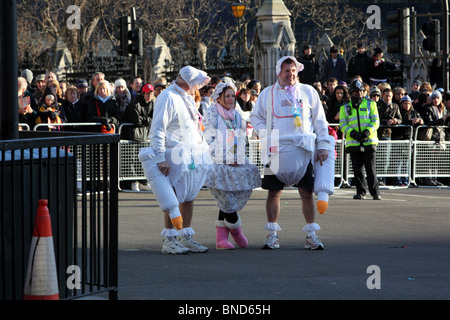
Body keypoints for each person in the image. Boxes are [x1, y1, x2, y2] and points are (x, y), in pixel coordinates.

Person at [250, 56, 335, 250]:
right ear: (279, 72)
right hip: (275, 151)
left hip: (302, 150)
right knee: (274, 192)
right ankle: (272, 235)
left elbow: (320, 121)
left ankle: (311, 235)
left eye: (294, 71)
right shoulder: (267, 93)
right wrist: (267, 135)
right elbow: (256, 117)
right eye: (287, 71)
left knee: (306, 193)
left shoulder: (308, 91)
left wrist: (322, 145)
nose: (291, 75)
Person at [138, 66, 212, 255]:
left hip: (190, 153)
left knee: (188, 196)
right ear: (187, 81)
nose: (197, 87)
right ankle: (170, 238)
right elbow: (158, 128)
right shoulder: (168, 96)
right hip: (174, 153)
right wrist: (161, 157)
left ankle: (185, 236)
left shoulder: (186, 96)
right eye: (195, 83)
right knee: (172, 198)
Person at [203, 82, 261, 249]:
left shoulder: (236, 115)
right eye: (226, 96)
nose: (229, 99)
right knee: (226, 199)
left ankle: (221, 239)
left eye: (231, 96)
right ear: (219, 97)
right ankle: (236, 231)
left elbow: (241, 138)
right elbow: (209, 139)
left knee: (232, 193)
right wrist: (223, 157)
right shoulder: (212, 113)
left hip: (235, 159)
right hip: (217, 161)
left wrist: (237, 157)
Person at [340, 79, 381, 200]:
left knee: (370, 168)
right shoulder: (345, 107)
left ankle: (375, 192)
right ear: (351, 93)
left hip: (369, 140)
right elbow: (342, 124)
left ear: (364, 92)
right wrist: (352, 133)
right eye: (355, 92)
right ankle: (361, 192)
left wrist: (367, 132)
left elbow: (375, 121)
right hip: (353, 141)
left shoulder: (371, 104)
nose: (358, 94)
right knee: (357, 169)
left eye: (360, 91)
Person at [123, 83, 155, 192]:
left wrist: (145, 120)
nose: (149, 95)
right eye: (147, 93)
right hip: (134, 135)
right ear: (143, 93)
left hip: (145, 135)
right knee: (132, 159)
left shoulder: (152, 103)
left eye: (151, 93)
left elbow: (154, 119)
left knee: (144, 160)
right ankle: (134, 182)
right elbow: (136, 120)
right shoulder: (135, 103)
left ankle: (143, 181)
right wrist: (147, 120)